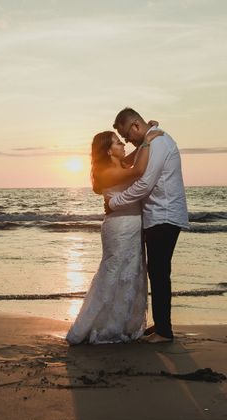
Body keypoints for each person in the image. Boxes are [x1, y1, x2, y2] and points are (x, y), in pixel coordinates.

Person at [66, 127, 164, 345]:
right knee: (112, 272)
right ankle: (98, 326)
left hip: (133, 224)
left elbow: (133, 158)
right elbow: (139, 170)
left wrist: (142, 141)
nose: (123, 145)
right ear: (109, 151)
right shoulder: (107, 172)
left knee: (131, 272)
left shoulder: (119, 164)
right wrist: (146, 140)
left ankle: (123, 324)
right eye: (118, 142)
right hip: (119, 227)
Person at [105, 108, 189, 343]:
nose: (128, 142)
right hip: (158, 214)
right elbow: (133, 168)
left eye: (127, 136)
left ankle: (164, 331)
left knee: (160, 272)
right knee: (158, 271)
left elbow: (144, 183)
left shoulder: (158, 142)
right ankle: (162, 324)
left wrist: (115, 202)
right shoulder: (151, 141)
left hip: (164, 214)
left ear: (135, 126)